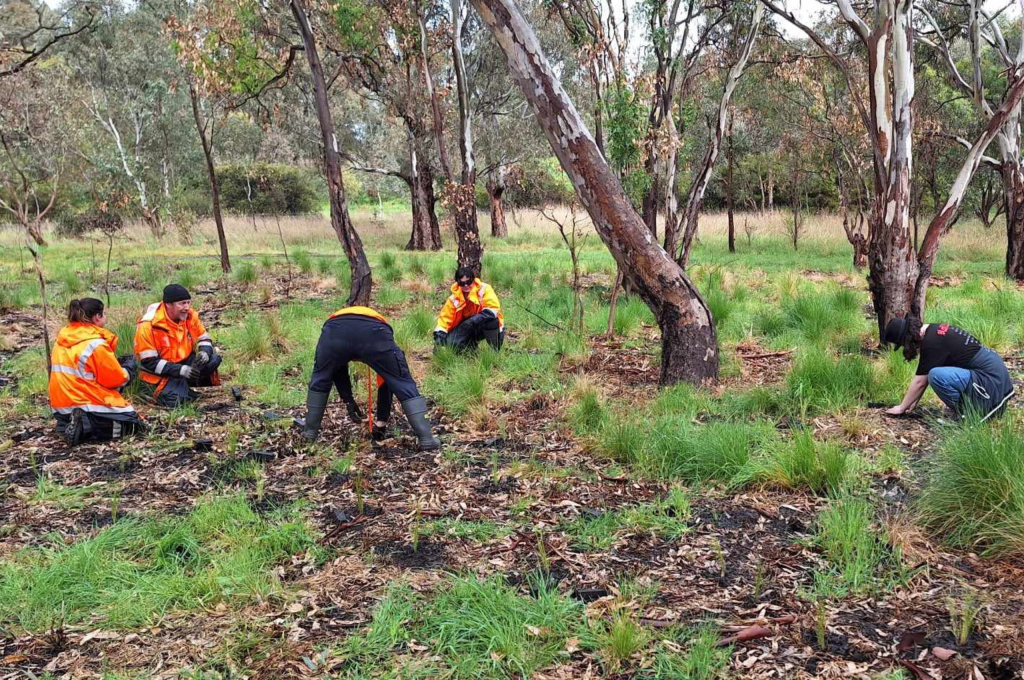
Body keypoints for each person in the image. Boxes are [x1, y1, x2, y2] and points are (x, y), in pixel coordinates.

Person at [296, 305, 441, 450]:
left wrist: (349, 401)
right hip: (374, 332)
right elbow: (388, 381)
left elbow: (336, 371)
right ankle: (427, 439)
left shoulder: (339, 324)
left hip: (334, 332)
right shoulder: (379, 332)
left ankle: (309, 434)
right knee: (402, 382)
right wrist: (381, 422)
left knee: (320, 378)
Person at [49, 298, 145, 446]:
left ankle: (65, 425)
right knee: (133, 424)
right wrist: (128, 369)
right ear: (97, 317)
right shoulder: (94, 343)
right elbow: (116, 380)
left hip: (60, 406)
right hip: (86, 403)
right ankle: (86, 428)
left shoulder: (61, 339)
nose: (105, 316)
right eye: (104, 313)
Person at [884, 317, 1014, 422]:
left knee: (936, 376)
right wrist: (913, 401)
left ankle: (967, 415)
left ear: (907, 339)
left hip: (991, 382)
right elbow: (925, 374)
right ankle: (969, 409)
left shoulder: (932, 343)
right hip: (1000, 382)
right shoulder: (935, 330)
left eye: (902, 345)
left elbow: (920, 381)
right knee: (936, 373)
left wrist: (901, 408)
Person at [134, 284, 222, 407]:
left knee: (213, 360)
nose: (187, 307)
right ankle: (162, 391)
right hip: (159, 372)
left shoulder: (190, 316)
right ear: (168, 304)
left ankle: (185, 385)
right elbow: (148, 362)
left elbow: (204, 338)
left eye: (188, 302)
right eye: (182, 303)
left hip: (183, 363)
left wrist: (205, 352)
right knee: (175, 401)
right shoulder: (148, 325)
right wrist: (179, 370)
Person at [433, 266, 505, 352]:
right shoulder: (454, 299)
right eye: (462, 283)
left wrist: (472, 320)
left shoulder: (484, 289)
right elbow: (444, 321)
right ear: (457, 283)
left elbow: (493, 309)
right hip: (464, 328)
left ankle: (495, 351)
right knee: (451, 345)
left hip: (481, 324)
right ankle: (471, 348)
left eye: (468, 281)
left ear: (473, 279)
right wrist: (439, 340)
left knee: (492, 321)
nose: (466, 285)